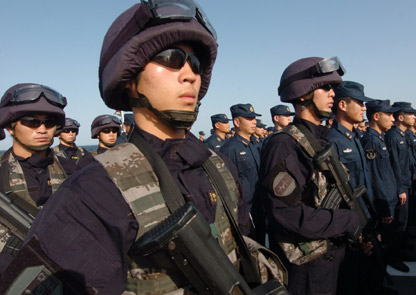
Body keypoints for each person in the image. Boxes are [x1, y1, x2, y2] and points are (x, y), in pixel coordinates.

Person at [1, 2, 286, 294]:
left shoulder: (216, 166)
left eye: (195, 64)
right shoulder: (94, 190)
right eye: (171, 58)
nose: (190, 74)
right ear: (129, 80)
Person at [259, 56, 361, 295]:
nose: (332, 94)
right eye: (325, 87)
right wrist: (347, 221)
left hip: (329, 253)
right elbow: (285, 212)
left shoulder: (320, 139)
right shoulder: (285, 144)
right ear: (303, 94)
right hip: (308, 266)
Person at [0, 83, 67, 273]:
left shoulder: (73, 169)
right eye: (31, 121)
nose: (42, 129)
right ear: (10, 127)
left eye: (50, 122)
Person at [327, 81, 382, 295]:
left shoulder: (354, 137)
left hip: (366, 219)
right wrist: (352, 234)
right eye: (359, 103)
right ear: (342, 105)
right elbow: (335, 195)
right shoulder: (332, 142)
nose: (364, 108)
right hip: (351, 227)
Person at [361, 99, 401, 295]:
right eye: (389, 115)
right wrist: (384, 209)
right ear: (376, 116)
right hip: (381, 204)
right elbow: (376, 177)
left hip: (388, 200)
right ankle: (375, 286)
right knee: (378, 248)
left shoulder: (379, 138)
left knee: (384, 246)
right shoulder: (371, 140)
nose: (393, 119)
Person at [384, 101, 416, 272]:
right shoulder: (393, 136)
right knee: (397, 225)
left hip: (405, 183)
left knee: (402, 223)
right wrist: (400, 189)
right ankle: (393, 256)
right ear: (401, 116)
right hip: (400, 187)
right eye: (410, 113)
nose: (414, 117)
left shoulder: (402, 135)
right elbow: (394, 166)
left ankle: (400, 251)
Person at [220, 103, 261, 211]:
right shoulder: (229, 149)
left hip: (260, 204)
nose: (254, 121)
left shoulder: (253, 144)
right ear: (237, 122)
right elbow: (226, 184)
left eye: (254, 118)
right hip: (246, 208)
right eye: (249, 118)